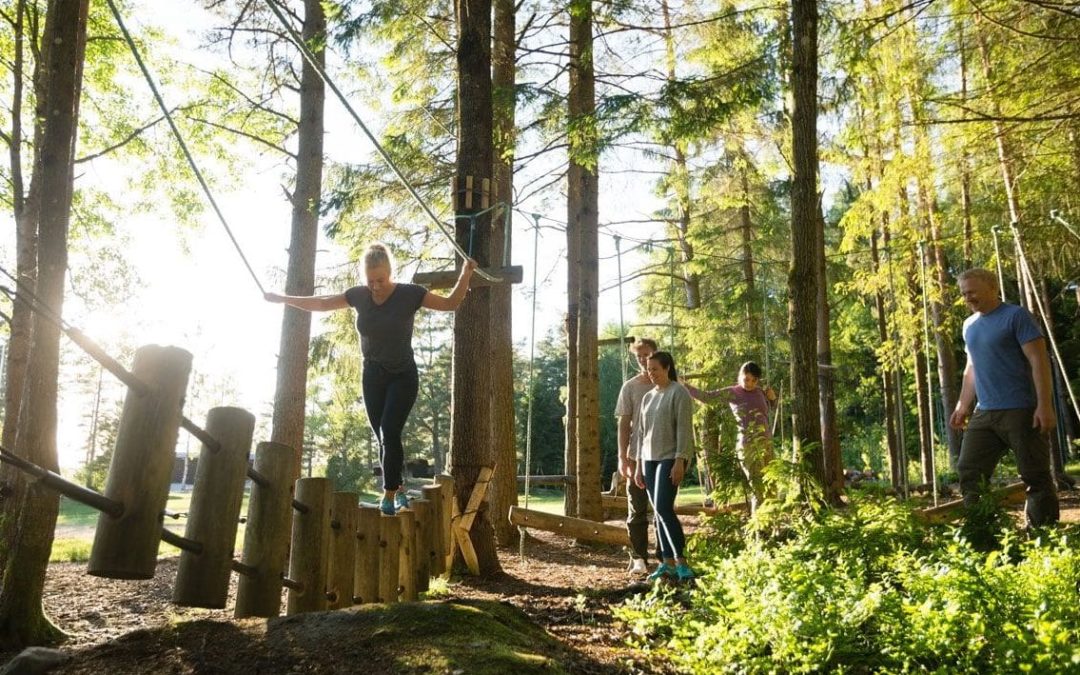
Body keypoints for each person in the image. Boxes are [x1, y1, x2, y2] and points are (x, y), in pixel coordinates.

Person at [266, 244, 477, 515]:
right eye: (370, 280)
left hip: (403, 375)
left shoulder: (410, 294)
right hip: (372, 376)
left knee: (390, 429)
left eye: (381, 279)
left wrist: (465, 274)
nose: (376, 286)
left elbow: (450, 304)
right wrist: (284, 299)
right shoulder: (359, 296)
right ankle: (399, 488)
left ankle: (388, 495)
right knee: (383, 437)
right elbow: (322, 303)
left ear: (390, 272)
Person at [948, 268, 1059, 527]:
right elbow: (972, 367)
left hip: (1021, 409)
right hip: (985, 413)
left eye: (972, 291)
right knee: (969, 470)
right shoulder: (969, 325)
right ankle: (982, 530)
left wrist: (1044, 405)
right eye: (964, 293)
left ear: (992, 288)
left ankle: (1044, 534)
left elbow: (1038, 360)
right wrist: (963, 405)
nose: (968, 298)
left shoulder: (1016, 317)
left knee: (1035, 474)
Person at [632, 351, 695, 582]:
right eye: (649, 370)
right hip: (648, 459)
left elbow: (684, 430)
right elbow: (640, 434)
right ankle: (666, 563)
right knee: (658, 512)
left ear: (667, 368)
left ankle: (682, 562)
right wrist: (638, 465)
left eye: (655, 369)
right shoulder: (648, 397)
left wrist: (680, 460)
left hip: (671, 457)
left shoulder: (679, 393)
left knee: (663, 508)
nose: (651, 373)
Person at [685, 361, 776, 513]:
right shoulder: (733, 392)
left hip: (766, 442)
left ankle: (774, 526)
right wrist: (685, 386)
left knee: (772, 485)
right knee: (758, 486)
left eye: (754, 380)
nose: (750, 383)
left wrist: (772, 399)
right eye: (746, 379)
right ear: (740, 376)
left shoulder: (760, 391)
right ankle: (760, 530)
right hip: (748, 445)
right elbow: (707, 397)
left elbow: (769, 410)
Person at [614, 338, 661, 575]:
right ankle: (639, 557)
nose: (642, 360)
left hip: (662, 453)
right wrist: (622, 457)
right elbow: (623, 423)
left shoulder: (667, 384)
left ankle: (665, 556)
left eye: (647, 355)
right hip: (635, 454)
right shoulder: (630, 387)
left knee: (662, 507)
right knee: (636, 508)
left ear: (655, 355)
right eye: (638, 356)